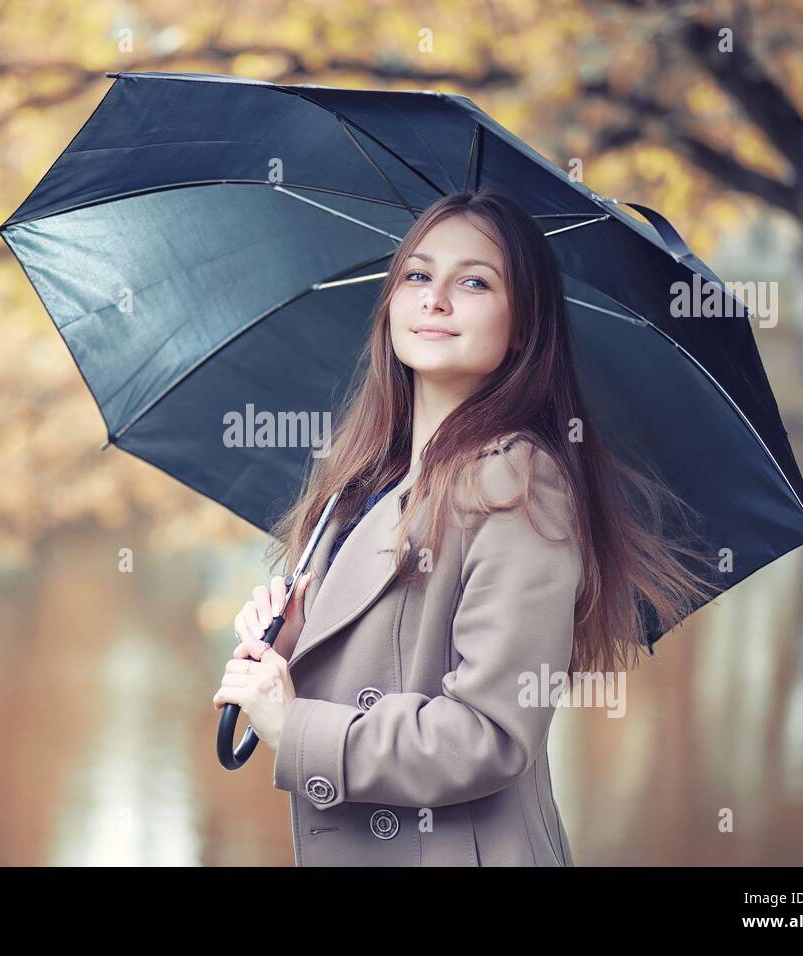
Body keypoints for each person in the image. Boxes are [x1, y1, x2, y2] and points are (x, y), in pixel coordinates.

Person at [212, 189, 718, 866]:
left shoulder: (517, 482)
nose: (435, 299)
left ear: (524, 323)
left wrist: (294, 726)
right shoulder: (370, 479)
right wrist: (298, 637)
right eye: (417, 275)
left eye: (473, 281)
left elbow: (488, 734)